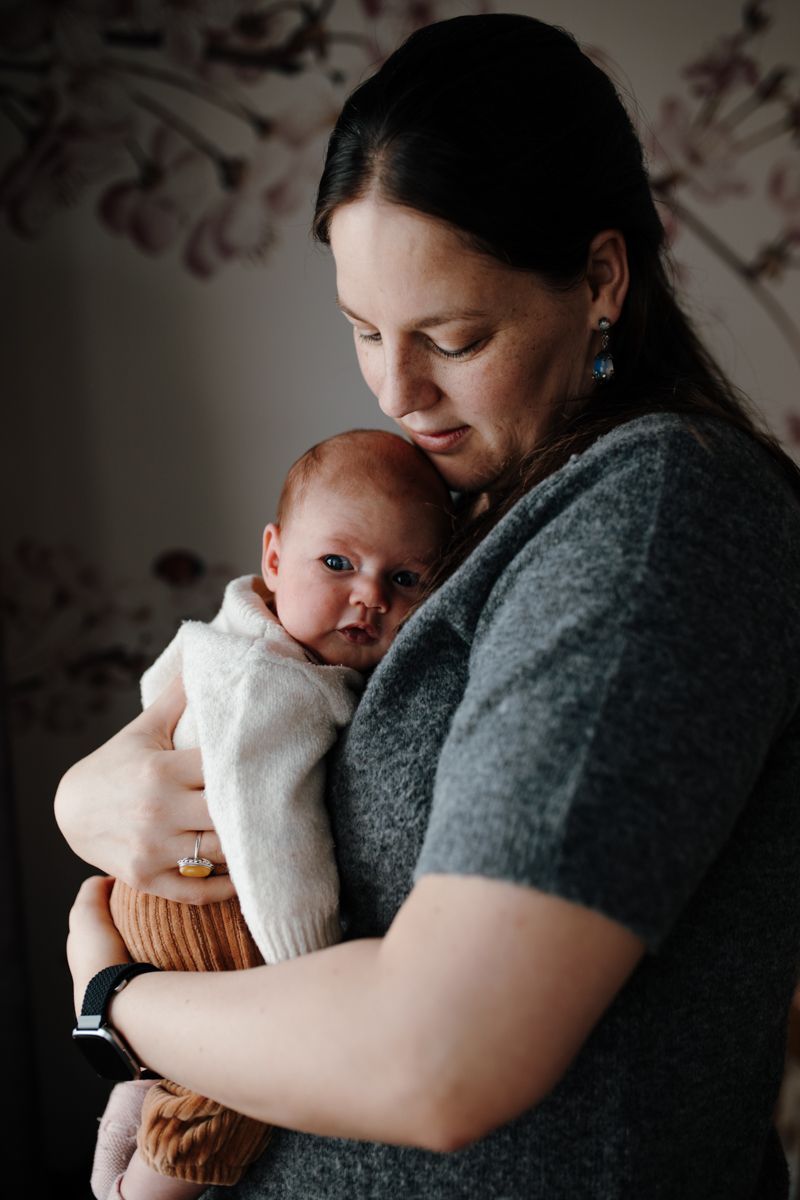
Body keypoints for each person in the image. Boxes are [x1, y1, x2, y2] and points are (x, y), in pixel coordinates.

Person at [57, 12, 800, 1199]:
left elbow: (441, 1057)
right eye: (362, 330)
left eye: (452, 338)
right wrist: (101, 784)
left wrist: (120, 1003)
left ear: (600, 279)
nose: (397, 390)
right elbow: (264, 673)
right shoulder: (475, 510)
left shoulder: (658, 514)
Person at [88, 429, 454, 1200]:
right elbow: (267, 829)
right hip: (218, 900)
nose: (370, 596)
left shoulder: (240, 635)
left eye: (408, 578)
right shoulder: (270, 687)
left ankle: (142, 1095)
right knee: (243, 1081)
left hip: (168, 888)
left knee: (199, 1063)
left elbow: (160, 689)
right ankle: (141, 1193)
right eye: (338, 563)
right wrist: (301, 975)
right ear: (275, 557)